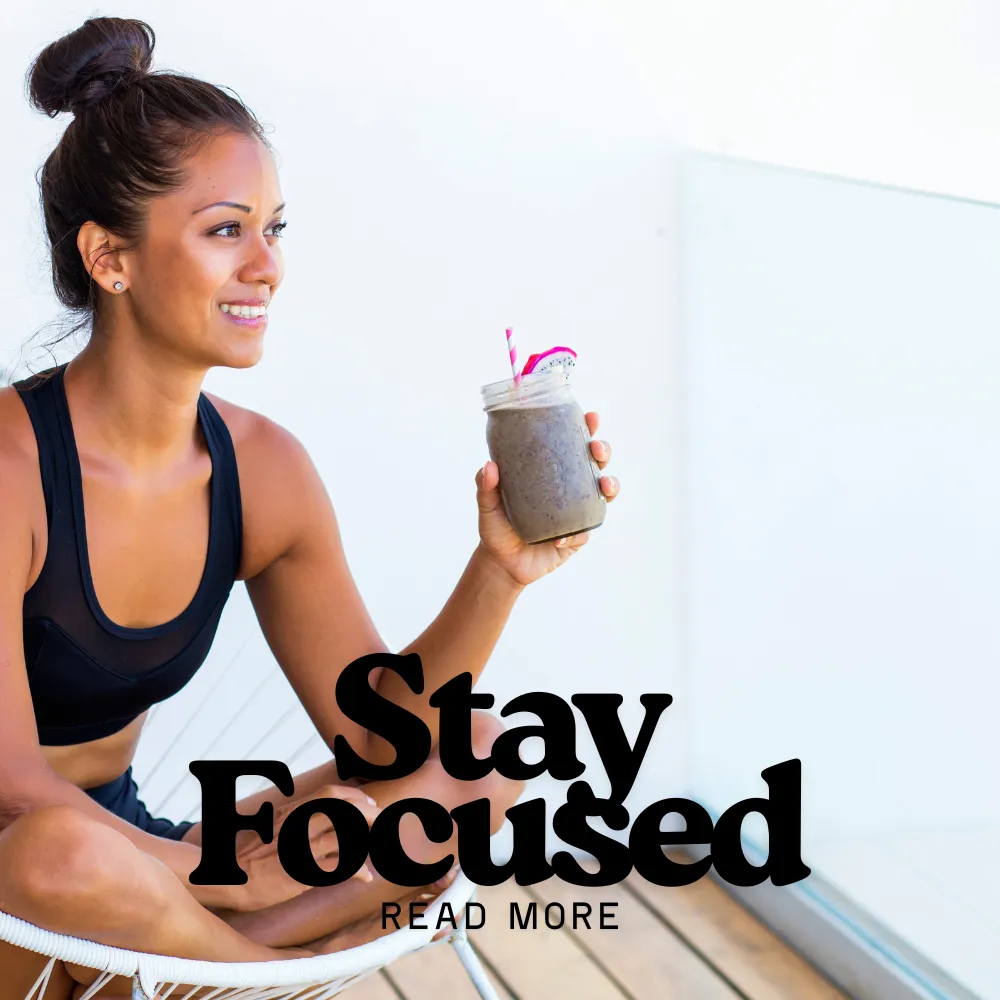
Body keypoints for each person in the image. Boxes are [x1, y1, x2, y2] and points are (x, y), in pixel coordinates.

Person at [0, 16, 620, 998]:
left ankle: (190, 963)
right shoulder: (9, 469)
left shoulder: (264, 469)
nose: (268, 266)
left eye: (274, 227)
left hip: (144, 862)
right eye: (225, 230)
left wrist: (498, 569)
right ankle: (259, 968)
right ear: (109, 259)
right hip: (22, 880)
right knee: (58, 856)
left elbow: (380, 738)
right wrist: (233, 886)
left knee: (480, 762)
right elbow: (17, 791)